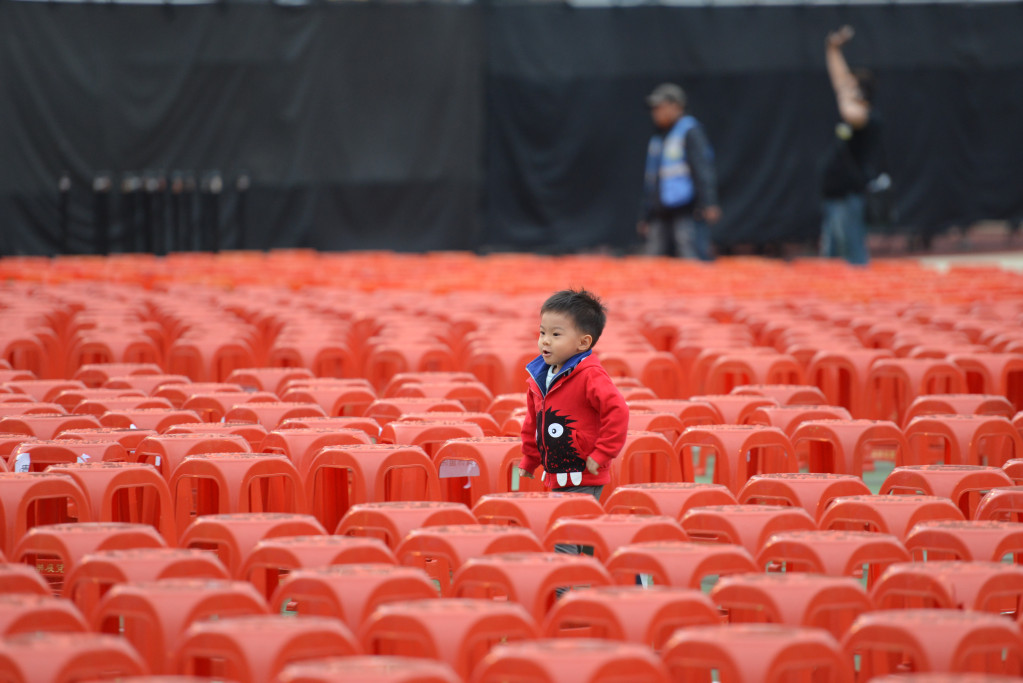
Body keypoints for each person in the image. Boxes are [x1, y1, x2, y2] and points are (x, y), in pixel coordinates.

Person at [516, 289, 629, 556]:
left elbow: (618, 411)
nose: (545, 341)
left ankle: (562, 590)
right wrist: (529, 459)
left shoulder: (590, 375)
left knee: (564, 534)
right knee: (582, 535)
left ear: (583, 342)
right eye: (542, 332)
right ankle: (605, 573)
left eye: (556, 335)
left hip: (583, 473)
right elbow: (533, 422)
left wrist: (603, 452)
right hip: (556, 472)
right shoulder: (538, 376)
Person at [819, 25, 888, 265]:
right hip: (835, 193)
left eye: (851, 87)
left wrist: (844, 92)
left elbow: (850, 111)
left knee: (852, 251)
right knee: (833, 252)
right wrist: (832, 48)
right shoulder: (852, 105)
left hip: (850, 195)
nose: (843, 88)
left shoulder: (867, 118)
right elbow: (840, 81)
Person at [638, 83, 721, 260]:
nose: (656, 112)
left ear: (676, 106)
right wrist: (645, 214)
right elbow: (652, 179)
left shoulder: (690, 131)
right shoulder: (659, 137)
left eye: (660, 107)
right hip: (660, 211)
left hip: (686, 209)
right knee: (654, 259)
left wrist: (708, 202)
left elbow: (702, 168)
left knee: (690, 254)